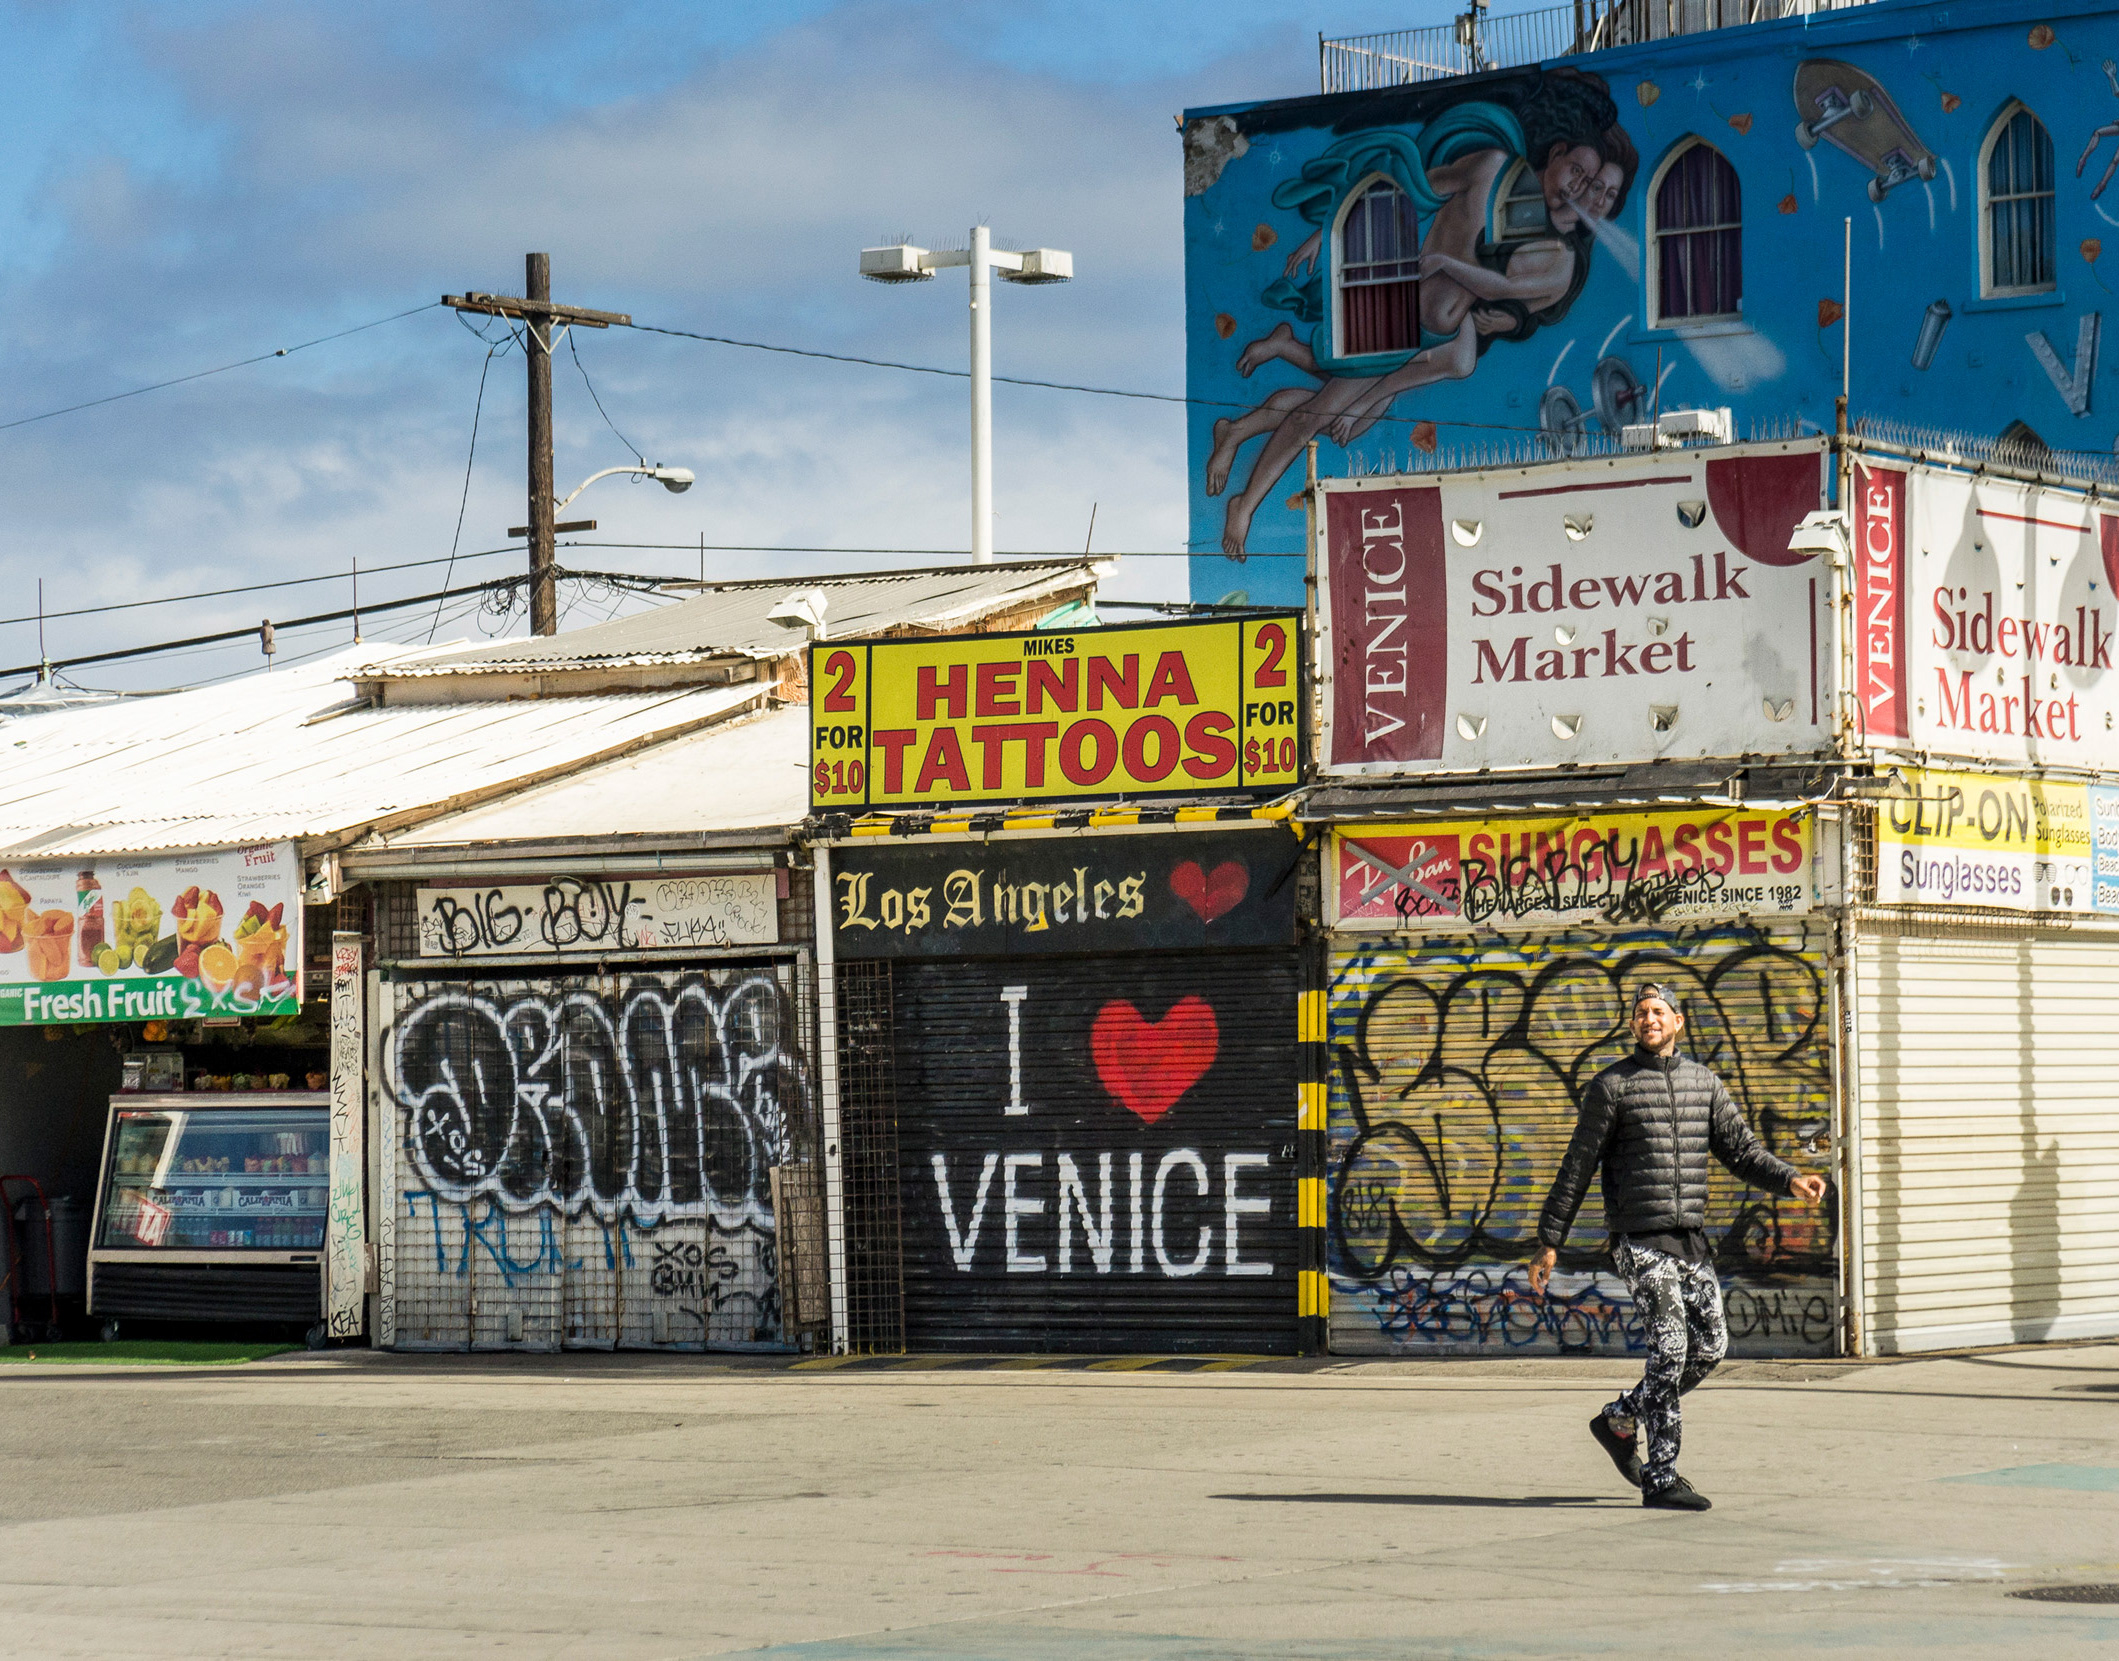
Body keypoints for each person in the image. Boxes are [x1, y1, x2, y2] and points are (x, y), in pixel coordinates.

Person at [1528, 981, 1829, 1512]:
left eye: (1658, 1011)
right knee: (1669, 1349)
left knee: (1710, 1347)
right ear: (1633, 1025)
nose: (1649, 1019)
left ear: (1678, 1021)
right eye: (1641, 1012)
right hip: (1639, 1239)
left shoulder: (1703, 1084)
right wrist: (1549, 1241)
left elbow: (1742, 1152)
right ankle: (1661, 1477)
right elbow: (1578, 1165)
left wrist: (1790, 1179)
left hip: (1689, 1239)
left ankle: (1620, 1418)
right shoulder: (1611, 1087)